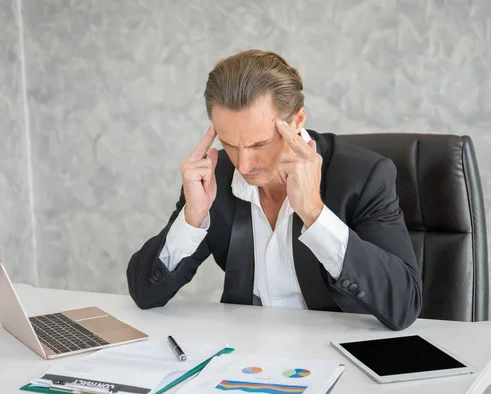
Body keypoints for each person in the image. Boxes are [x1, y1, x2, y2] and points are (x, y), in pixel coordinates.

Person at [127, 49, 422, 331]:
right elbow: (145, 293)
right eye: (229, 143)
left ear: (297, 121)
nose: (243, 164)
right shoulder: (212, 178)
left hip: (338, 354)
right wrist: (193, 218)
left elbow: (405, 304)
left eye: (259, 144)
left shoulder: (364, 176)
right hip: (247, 357)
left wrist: (314, 214)